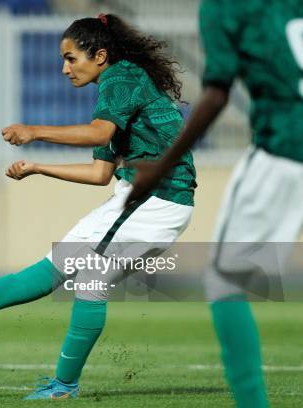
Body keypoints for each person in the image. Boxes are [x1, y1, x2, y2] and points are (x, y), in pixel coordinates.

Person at [0, 13, 197, 400]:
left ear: (100, 55)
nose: (64, 68)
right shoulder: (115, 94)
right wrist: (38, 167)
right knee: (57, 265)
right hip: (131, 197)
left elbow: (98, 134)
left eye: (71, 58)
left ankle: (64, 386)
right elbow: (100, 173)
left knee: (90, 281)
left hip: (159, 199)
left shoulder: (123, 77)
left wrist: (35, 131)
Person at [126, 1, 303, 407]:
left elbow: (217, 94)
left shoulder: (224, 8)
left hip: (285, 149)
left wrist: (162, 165)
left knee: (225, 284)